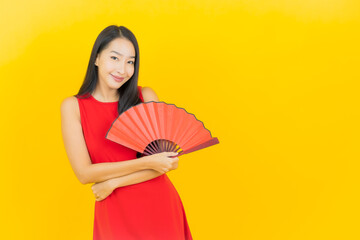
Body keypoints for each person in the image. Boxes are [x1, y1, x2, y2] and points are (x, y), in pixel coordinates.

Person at [60, 25, 193, 240]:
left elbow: (168, 162)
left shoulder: (146, 97)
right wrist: (148, 162)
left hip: (159, 208)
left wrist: (113, 182)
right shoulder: (73, 107)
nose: (123, 69)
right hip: (114, 212)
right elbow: (84, 174)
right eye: (115, 58)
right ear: (96, 58)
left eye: (130, 62)